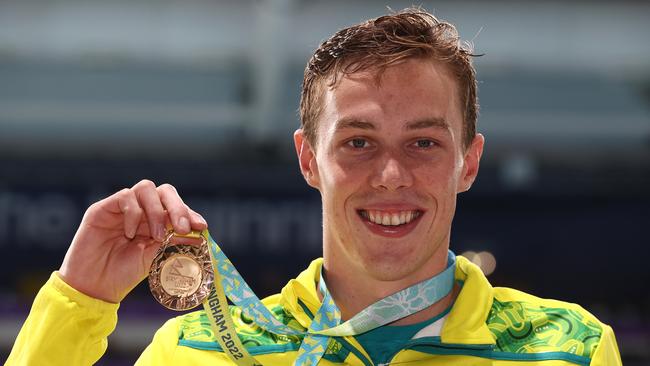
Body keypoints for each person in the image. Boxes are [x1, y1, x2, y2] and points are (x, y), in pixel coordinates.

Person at [7, 8, 621, 366]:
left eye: (424, 143)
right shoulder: (201, 350)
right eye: (358, 142)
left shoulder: (567, 349)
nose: (390, 174)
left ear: (468, 163)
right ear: (308, 159)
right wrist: (78, 302)